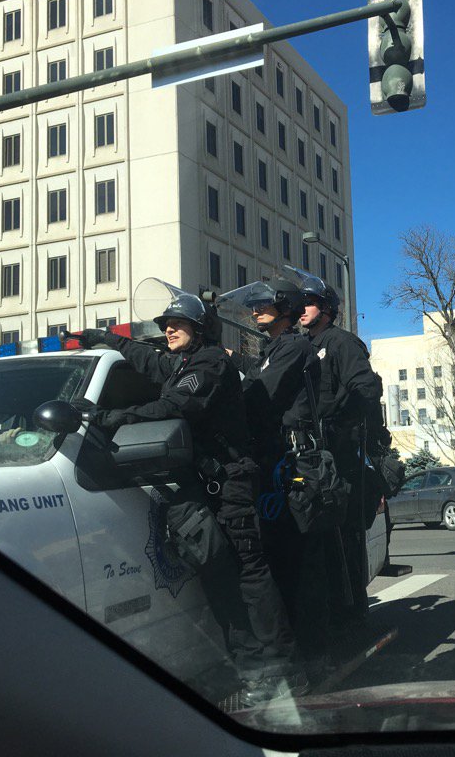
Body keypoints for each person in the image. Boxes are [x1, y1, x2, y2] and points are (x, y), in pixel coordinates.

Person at [74, 293, 302, 705]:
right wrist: (107, 338)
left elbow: (174, 405)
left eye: (177, 323)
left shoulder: (210, 363)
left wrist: (109, 418)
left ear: (200, 329)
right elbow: (148, 360)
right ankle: (251, 668)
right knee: (219, 577)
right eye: (165, 325)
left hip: (230, 484)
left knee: (248, 576)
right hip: (204, 485)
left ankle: (282, 671)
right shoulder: (181, 363)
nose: (168, 330)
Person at [221, 277, 332, 673]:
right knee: (280, 558)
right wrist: (229, 358)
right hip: (275, 463)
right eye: (253, 305)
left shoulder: (294, 347)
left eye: (264, 304)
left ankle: (311, 656)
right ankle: (300, 652)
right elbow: (257, 372)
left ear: (285, 306)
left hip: (294, 467)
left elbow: (258, 394)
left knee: (295, 561)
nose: (255, 310)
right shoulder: (274, 349)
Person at [293, 268, 389, 632]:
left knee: (344, 537)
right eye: (300, 303)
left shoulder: (341, 343)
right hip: (312, 457)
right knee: (321, 540)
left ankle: (352, 617)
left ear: (327, 309)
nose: (303, 308)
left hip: (340, 457)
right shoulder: (303, 346)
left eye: (310, 302)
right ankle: (331, 613)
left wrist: (334, 419)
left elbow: (366, 388)